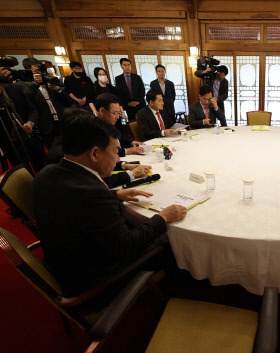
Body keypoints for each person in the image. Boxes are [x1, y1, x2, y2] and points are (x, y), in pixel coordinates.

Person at [33, 113, 187, 300]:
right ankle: (183, 289)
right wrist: (163, 217)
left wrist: (115, 193)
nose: (117, 160)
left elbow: (76, 204)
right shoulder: (92, 195)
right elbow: (127, 245)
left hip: (61, 265)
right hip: (95, 283)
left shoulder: (47, 172)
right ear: (95, 153)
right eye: (115, 152)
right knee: (165, 240)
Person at [44, 109, 149, 189]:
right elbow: (96, 181)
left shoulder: (70, 141)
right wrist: (132, 174)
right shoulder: (63, 155)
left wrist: (124, 165)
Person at [0, 67, 45, 173]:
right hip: (10, 141)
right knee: (23, 173)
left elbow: (32, 110)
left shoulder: (15, 88)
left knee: (43, 168)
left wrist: (30, 122)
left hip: (29, 136)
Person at [18, 58, 70, 148]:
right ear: (28, 71)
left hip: (62, 122)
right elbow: (27, 100)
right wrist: (35, 83)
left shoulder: (49, 82)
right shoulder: (23, 85)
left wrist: (57, 89)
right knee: (54, 151)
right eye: (36, 71)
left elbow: (68, 102)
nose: (40, 74)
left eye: (41, 70)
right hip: (46, 125)